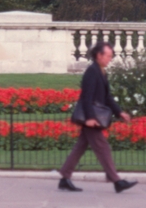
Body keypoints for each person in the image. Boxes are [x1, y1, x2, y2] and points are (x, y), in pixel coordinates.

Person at [58, 41, 138, 193]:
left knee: (80, 147)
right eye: (108, 56)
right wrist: (89, 118)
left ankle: (64, 178)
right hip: (91, 119)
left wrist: (119, 112)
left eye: (111, 56)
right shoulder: (92, 72)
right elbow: (86, 97)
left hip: (93, 118)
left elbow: (107, 97)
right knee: (103, 148)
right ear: (99, 55)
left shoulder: (100, 71)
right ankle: (117, 181)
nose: (110, 59)